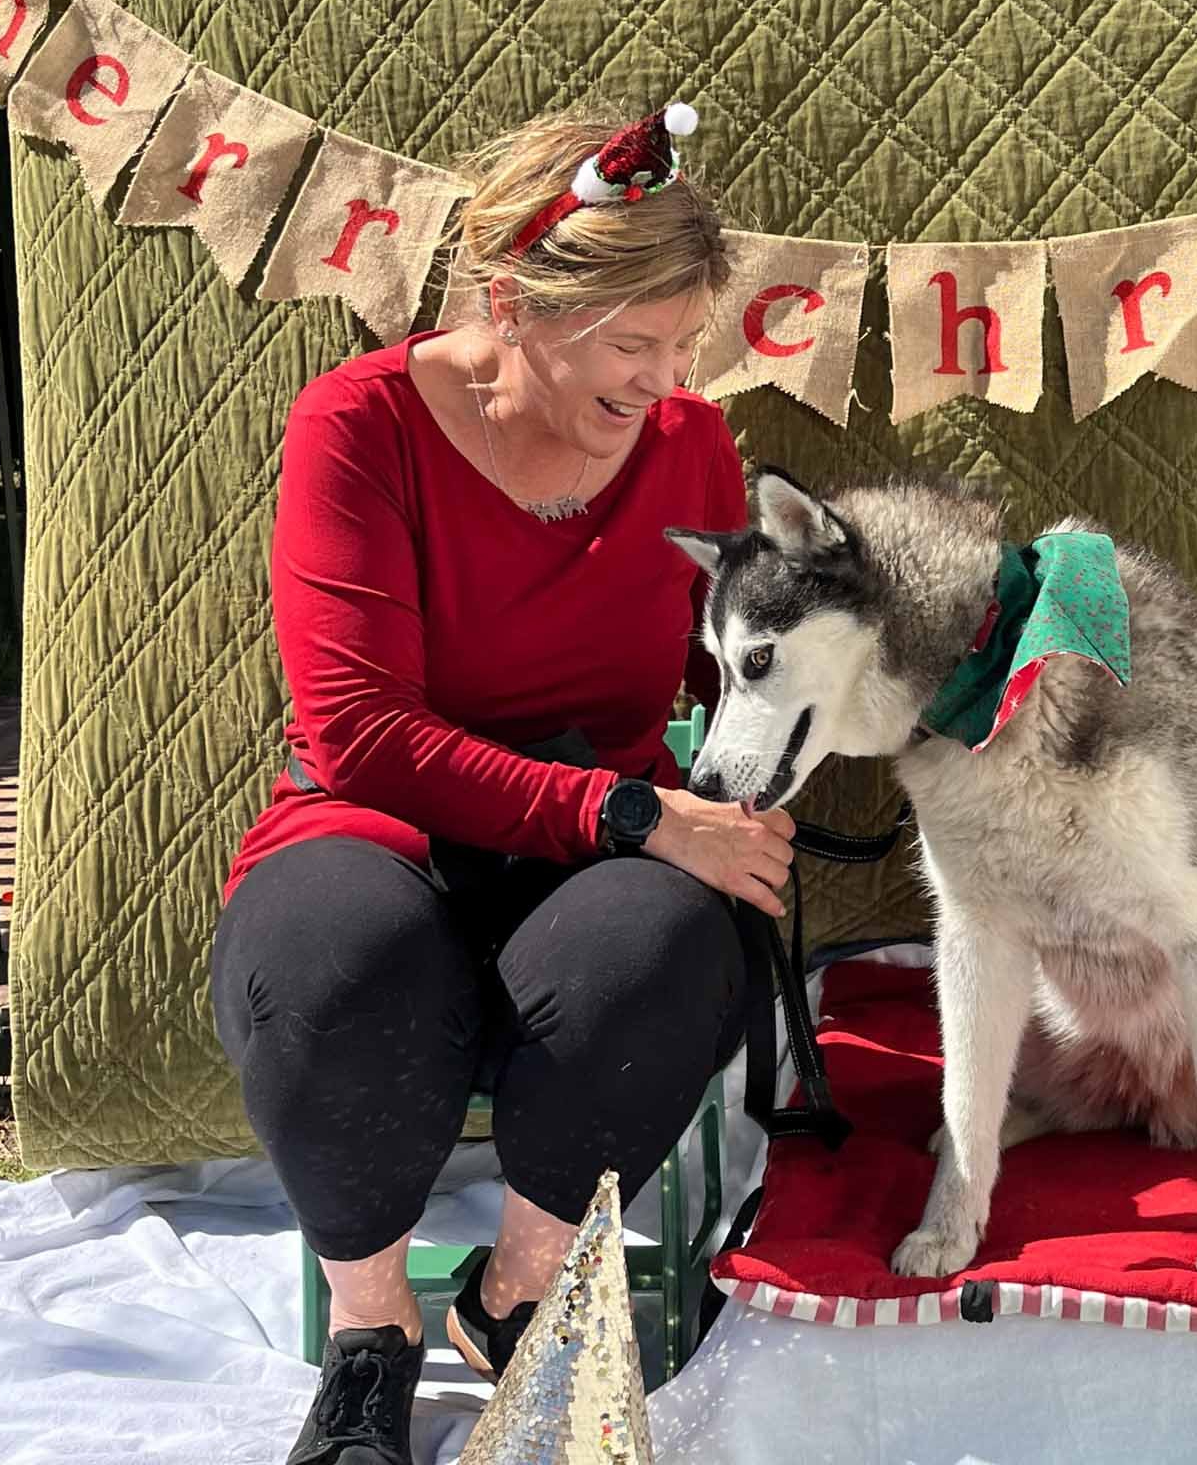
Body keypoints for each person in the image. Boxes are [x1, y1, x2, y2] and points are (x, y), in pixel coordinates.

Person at [210, 99, 794, 1465]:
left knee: (663, 943)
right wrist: (641, 814)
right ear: (510, 301)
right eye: (630, 344)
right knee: (331, 962)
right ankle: (371, 1341)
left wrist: (850, 686)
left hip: (593, 859)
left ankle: (514, 1291)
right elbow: (359, 729)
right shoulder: (359, 425)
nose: (663, 381)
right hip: (381, 823)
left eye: (685, 344)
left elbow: (737, 679)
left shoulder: (691, 445)